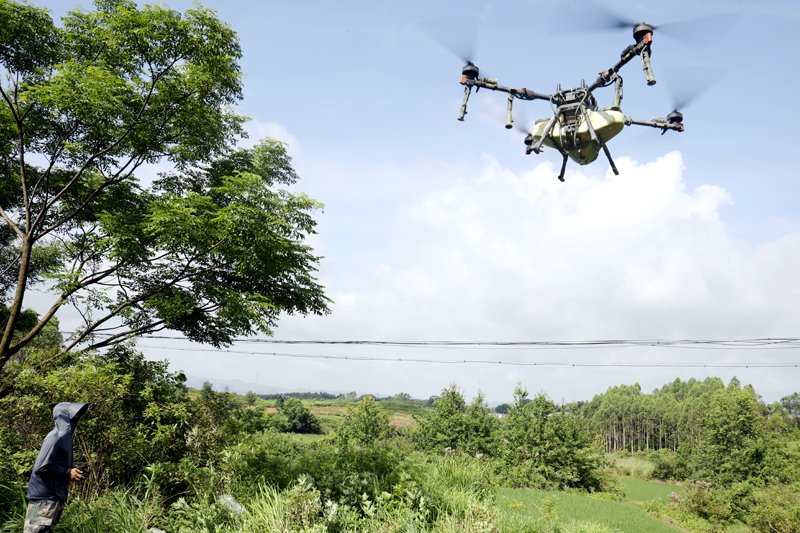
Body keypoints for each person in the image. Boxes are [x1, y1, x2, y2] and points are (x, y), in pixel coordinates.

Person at [24, 402, 88, 533]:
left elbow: (57, 465)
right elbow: (40, 468)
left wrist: (74, 472)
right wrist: (66, 472)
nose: (77, 417)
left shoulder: (66, 437)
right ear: (63, 416)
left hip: (55, 497)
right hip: (43, 499)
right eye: (73, 414)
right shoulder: (54, 438)